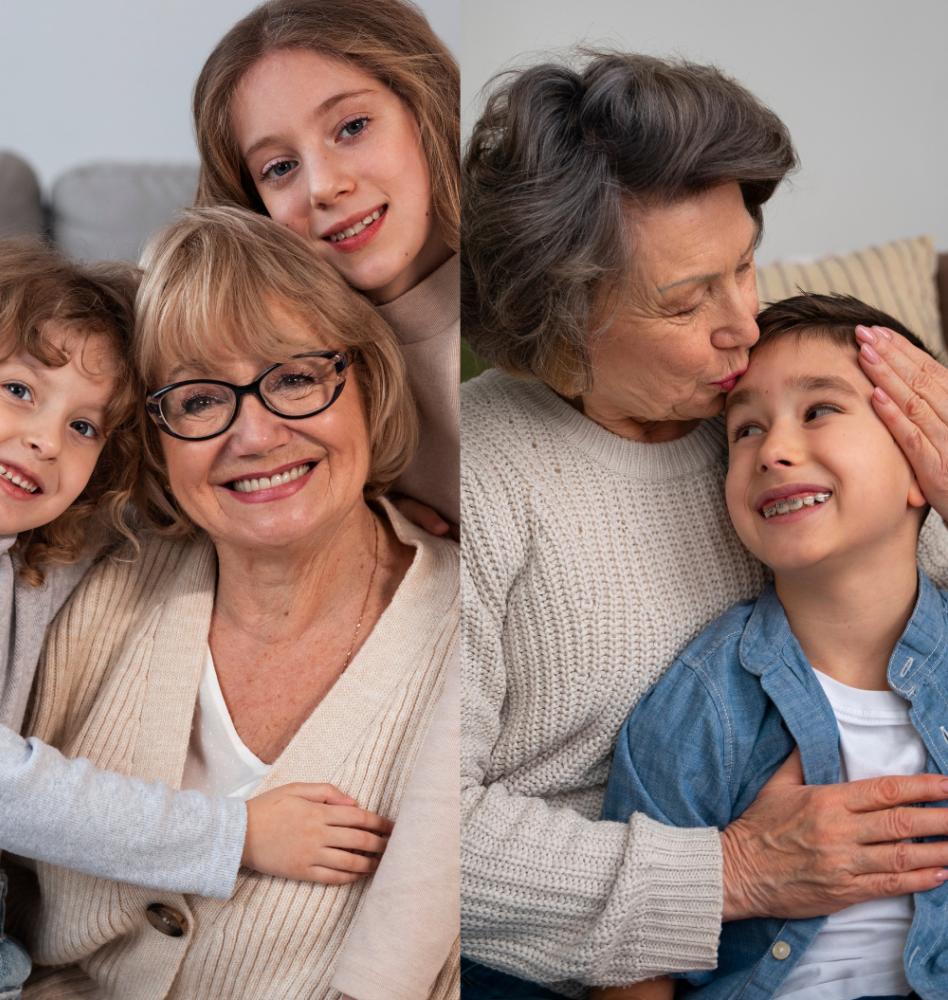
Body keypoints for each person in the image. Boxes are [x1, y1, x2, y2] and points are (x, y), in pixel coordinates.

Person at [460, 49, 948, 999]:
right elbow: (426, 827)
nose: (745, 323)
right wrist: (728, 874)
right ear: (561, 324)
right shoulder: (481, 477)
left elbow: (910, 587)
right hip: (548, 955)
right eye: (689, 301)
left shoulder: (765, 421)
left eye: (744, 265)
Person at [12, 207, 460, 1000]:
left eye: (294, 376)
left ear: (368, 385)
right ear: (154, 438)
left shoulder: (474, 631)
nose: (254, 435)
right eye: (197, 399)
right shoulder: (91, 590)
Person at [0, 239, 391, 1000]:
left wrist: (388, 508)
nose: (45, 439)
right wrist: (235, 835)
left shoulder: (24, 551)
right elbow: (6, 790)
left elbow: (210, 487)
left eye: (85, 427)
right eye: (17, 389)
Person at [596, 293, 948, 1000]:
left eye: (819, 410)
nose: (774, 450)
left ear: (920, 465)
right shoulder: (705, 698)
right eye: (746, 430)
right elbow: (634, 955)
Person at [193, 0, 460, 527]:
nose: (323, 186)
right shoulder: (277, 369)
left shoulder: (530, 292)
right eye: (280, 167)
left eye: (353, 126)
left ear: (427, 112)